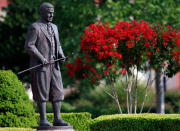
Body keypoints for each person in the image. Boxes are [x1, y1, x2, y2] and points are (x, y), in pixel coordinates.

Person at [25, 2, 69, 126]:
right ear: (42, 12)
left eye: (52, 12)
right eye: (49, 12)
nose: (51, 15)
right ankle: (43, 120)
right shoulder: (35, 27)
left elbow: (58, 44)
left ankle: (57, 118)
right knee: (42, 92)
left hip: (54, 65)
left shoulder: (54, 27)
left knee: (58, 91)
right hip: (41, 66)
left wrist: (61, 54)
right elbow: (29, 46)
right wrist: (41, 57)